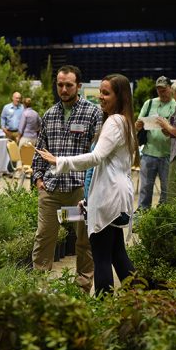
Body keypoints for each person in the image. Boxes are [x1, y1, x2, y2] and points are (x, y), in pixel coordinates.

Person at [37, 73, 140, 296]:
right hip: (114, 195)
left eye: (106, 93)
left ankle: (103, 312)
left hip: (108, 198)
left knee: (102, 257)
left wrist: (59, 161)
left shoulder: (114, 121)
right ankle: (144, 300)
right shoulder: (124, 120)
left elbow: (95, 158)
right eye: (100, 92)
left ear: (119, 96)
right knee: (117, 256)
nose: (101, 97)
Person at [31, 65, 102, 294]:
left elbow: (99, 152)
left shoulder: (93, 113)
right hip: (51, 189)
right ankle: (39, 288)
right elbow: (39, 150)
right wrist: (38, 179)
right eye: (60, 84)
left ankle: (82, 287)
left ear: (78, 86)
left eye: (69, 85)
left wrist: (92, 186)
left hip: (79, 189)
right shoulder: (49, 114)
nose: (64, 89)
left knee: (84, 241)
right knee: (44, 238)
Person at [135, 76, 176, 210]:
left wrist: (168, 130)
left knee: (167, 190)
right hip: (148, 152)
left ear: (170, 88)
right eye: (158, 90)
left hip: (168, 154)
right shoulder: (149, 103)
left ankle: (162, 217)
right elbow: (138, 123)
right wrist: (139, 125)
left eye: (163, 89)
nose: (161, 92)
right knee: (145, 189)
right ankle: (141, 217)